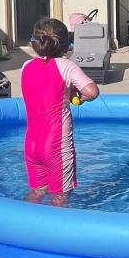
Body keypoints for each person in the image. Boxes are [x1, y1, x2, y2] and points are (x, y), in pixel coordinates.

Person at [21, 17, 99, 206]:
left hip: (31, 143)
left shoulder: (26, 67)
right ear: (66, 46)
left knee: (36, 192)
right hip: (55, 146)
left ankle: (24, 227)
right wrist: (79, 98)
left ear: (34, 43)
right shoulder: (66, 66)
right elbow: (92, 91)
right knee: (59, 197)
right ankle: (54, 233)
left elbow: (43, 90)